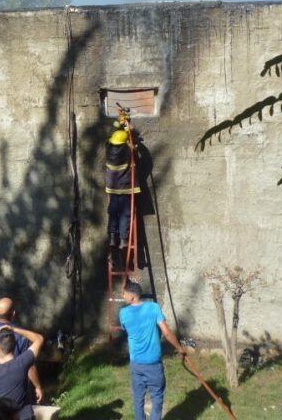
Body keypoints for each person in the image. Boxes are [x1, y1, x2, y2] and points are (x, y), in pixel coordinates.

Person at [119, 281, 185, 420]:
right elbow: (166, 332)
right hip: (153, 364)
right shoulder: (154, 308)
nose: (122, 295)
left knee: (138, 399)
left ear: (132, 296)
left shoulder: (123, 313)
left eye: (124, 293)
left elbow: (128, 329)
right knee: (157, 398)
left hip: (136, 364)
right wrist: (179, 348)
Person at [0, 298, 43, 404]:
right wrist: (37, 386)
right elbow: (30, 367)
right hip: (16, 385)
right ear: (13, 314)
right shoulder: (20, 336)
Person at [0, 324, 44, 420]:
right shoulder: (22, 362)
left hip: (2, 416)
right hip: (23, 416)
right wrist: (14, 329)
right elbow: (39, 338)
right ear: (14, 346)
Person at [105, 128, 140, 254]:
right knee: (125, 215)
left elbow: (108, 141)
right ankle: (124, 239)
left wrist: (119, 124)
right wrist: (128, 131)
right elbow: (135, 149)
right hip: (125, 189)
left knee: (113, 213)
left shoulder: (108, 150)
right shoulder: (127, 152)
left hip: (113, 189)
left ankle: (113, 237)